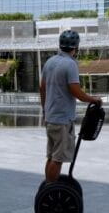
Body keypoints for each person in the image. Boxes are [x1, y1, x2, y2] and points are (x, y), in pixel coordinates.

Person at [40, 30, 102, 183]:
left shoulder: (50, 62)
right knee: (58, 158)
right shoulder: (70, 64)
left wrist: (45, 109)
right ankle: (51, 190)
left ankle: (48, 187)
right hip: (62, 119)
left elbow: (42, 88)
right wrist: (93, 99)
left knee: (51, 156)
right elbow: (75, 91)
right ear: (76, 47)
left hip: (51, 117)